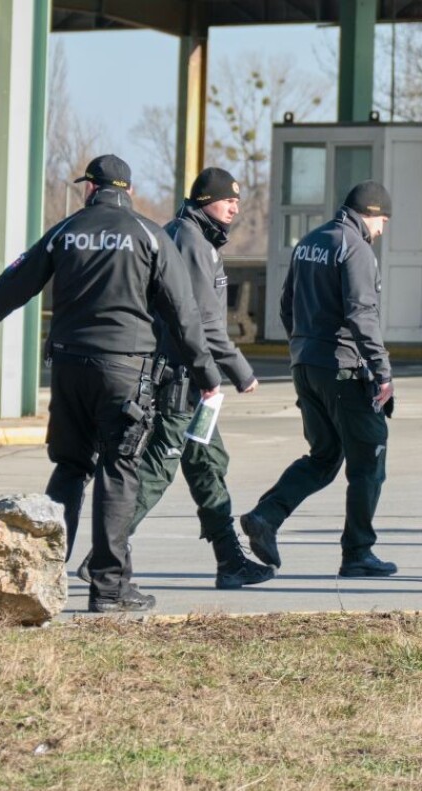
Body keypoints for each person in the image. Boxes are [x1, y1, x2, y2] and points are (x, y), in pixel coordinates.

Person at [0, 155, 221, 612]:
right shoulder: (149, 234)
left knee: (70, 468)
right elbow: (183, 312)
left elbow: (11, 287)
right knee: (119, 468)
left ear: (91, 189)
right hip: (126, 371)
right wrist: (207, 374)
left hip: (69, 368)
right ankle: (109, 588)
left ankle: (45, 575)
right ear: (126, 190)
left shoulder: (65, 231)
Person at [73, 167, 274, 590]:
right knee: (157, 468)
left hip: (193, 380)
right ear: (204, 202)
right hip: (182, 380)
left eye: (237, 200)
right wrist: (239, 369)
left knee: (207, 466)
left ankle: (229, 561)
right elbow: (202, 320)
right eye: (226, 200)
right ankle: (103, 557)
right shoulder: (192, 242)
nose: (234, 206)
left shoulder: (188, 235)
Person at [239, 181, 396, 578]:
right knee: (368, 460)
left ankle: (265, 516)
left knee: (325, 455)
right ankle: (358, 552)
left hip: (305, 365)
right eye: (383, 221)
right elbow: (363, 314)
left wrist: (303, 347)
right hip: (343, 369)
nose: (382, 230)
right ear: (371, 213)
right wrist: (382, 371)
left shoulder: (310, 241)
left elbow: (286, 304)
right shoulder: (355, 248)